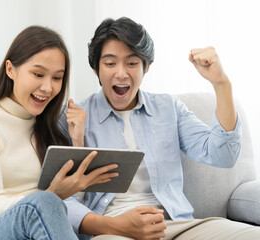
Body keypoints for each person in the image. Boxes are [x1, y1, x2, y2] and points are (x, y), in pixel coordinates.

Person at [58, 17, 260, 239]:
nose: (121, 73)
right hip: (114, 229)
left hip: (176, 224)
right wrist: (112, 226)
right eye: (110, 63)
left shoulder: (168, 108)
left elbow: (223, 155)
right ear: (96, 69)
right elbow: (61, 201)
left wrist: (221, 84)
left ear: (147, 67)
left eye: (132, 63)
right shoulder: (74, 118)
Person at [0, 25, 119, 240]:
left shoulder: (47, 126)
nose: (48, 88)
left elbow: (68, 211)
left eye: (57, 78)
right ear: (10, 70)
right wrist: (51, 195)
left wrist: (77, 141)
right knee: (44, 202)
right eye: (38, 74)